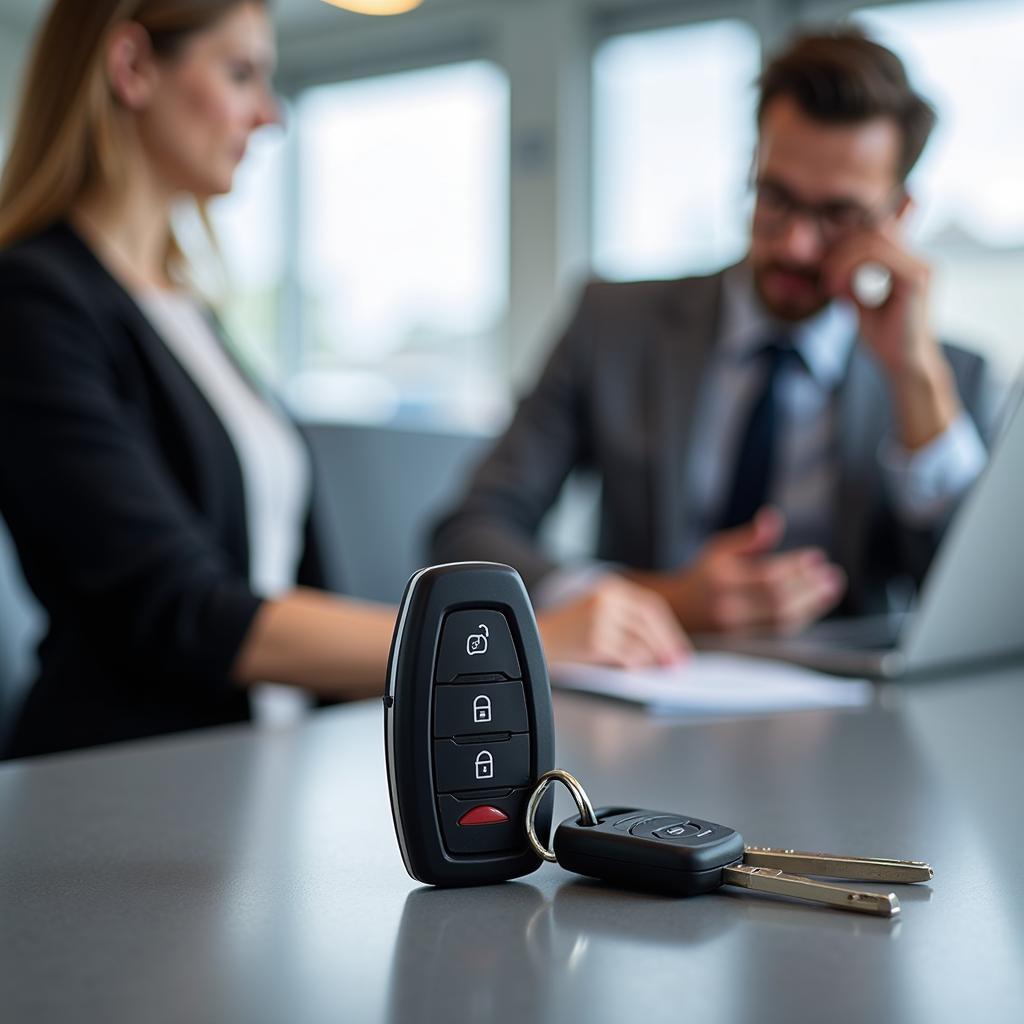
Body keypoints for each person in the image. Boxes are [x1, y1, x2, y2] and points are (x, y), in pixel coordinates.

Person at [432, 29, 999, 662]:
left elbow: (981, 610)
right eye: (775, 199)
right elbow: (469, 537)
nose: (796, 246)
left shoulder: (947, 379)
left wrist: (914, 379)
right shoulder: (613, 324)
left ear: (899, 214)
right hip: (642, 695)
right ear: (753, 166)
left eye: (840, 216)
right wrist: (663, 601)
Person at [0, 0, 399, 758]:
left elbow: (290, 576)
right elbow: (178, 607)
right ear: (133, 67)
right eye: (240, 72)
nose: (269, 116)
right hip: (122, 794)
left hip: (260, 771)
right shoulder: (32, 300)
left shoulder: (188, 311)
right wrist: (494, 647)